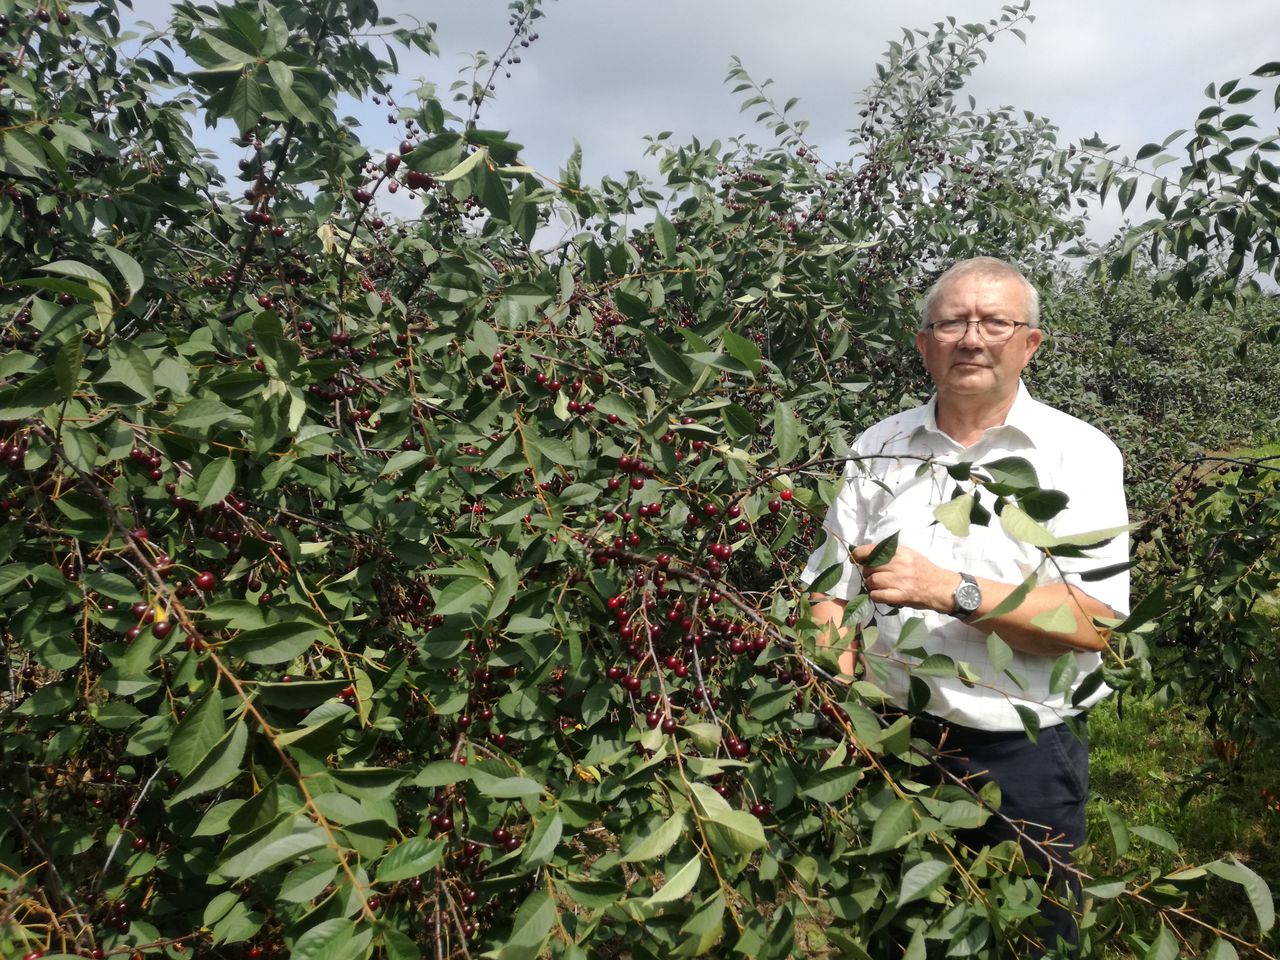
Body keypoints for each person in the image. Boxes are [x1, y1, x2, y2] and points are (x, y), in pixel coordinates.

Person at [801, 257, 1129, 956]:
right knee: (898, 932)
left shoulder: (1079, 455)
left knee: (1029, 937)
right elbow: (828, 591)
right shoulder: (879, 447)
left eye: (994, 323)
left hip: (1026, 753)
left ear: (1030, 343)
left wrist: (951, 589)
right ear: (924, 344)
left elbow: (1091, 620)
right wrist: (847, 701)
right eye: (952, 322)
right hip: (896, 742)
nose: (971, 339)